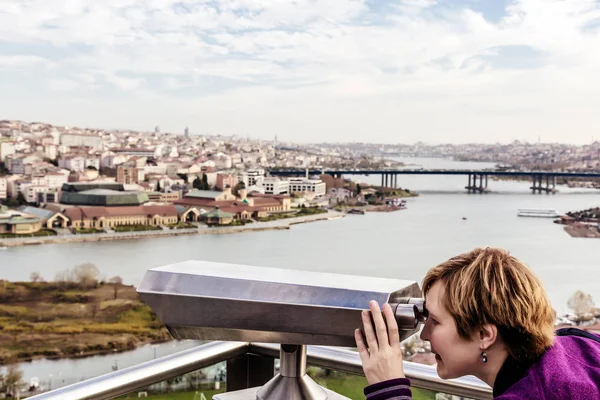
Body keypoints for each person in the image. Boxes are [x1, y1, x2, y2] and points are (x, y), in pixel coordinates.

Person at [354, 247, 600, 399]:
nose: (424, 334)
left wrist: (389, 387)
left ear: (484, 334)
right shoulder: (578, 345)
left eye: (436, 321)